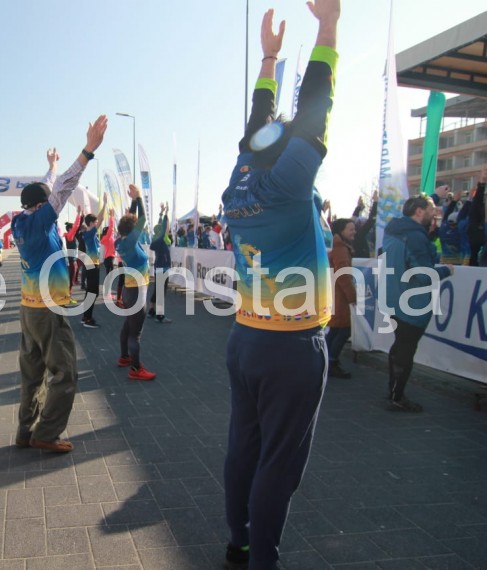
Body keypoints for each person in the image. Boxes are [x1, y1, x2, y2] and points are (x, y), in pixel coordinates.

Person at [219, 3, 339, 569]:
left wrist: (269, 60)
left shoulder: (237, 181)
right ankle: (262, 560)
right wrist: (328, 27)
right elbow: (315, 107)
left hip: (245, 339)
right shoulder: (290, 183)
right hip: (292, 347)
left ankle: (239, 541)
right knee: (278, 463)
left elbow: (258, 129)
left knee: (243, 446)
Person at [11, 116, 107, 453]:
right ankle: (47, 433)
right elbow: (63, 187)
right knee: (65, 373)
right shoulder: (41, 221)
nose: (55, 205)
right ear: (41, 207)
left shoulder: (22, 221)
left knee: (32, 374)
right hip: (49, 311)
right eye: (48, 203)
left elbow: (48, 187)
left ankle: (25, 430)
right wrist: (87, 151)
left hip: (28, 310)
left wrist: (50, 167)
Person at [382, 194, 454, 412]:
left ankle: (394, 392)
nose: (435, 214)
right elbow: (423, 275)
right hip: (413, 305)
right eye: (432, 210)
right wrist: (446, 270)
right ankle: (397, 397)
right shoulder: (414, 236)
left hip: (395, 299)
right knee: (405, 351)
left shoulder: (394, 230)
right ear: (419, 212)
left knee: (399, 347)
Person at [115, 184, 156, 381]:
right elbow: (142, 220)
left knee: (128, 326)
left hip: (129, 291)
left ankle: (124, 357)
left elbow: (129, 222)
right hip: (137, 293)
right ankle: (135, 368)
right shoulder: (130, 241)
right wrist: (138, 198)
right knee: (135, 333)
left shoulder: (120, 241)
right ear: (133, 231)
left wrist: (133, 202)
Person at [327, 218, 357, 378]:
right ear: (341, 231)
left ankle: (325, 359)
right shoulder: (340, 248)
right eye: (351, 229)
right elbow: (343, 275)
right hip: (339, 295)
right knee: (343, 329)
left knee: (335, 329)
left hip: (335, 293)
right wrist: (352, 296)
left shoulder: (338, 246)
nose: (354, 232)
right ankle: (331, 361)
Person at [80, 200, 107, 328]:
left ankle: (86, 316)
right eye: (95, 223)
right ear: (91, 223)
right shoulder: (89, 234)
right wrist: (104, 203)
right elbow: (101, 219)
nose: (97, 224)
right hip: (91, 265)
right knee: (92, 292)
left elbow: (99, 220)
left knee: (91, 291)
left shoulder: (90, 234)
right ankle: (87, 319)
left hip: (92, 264)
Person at [148, 203, 173, 323]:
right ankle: (160, 315)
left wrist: (161, 213)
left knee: (157, 290)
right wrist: (166, 213)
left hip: (159, 267)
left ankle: (151, 310)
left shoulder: (156, 239)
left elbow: (160, 227)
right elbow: (162, 228)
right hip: (163, 268)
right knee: (161, 292)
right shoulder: (160, 239)